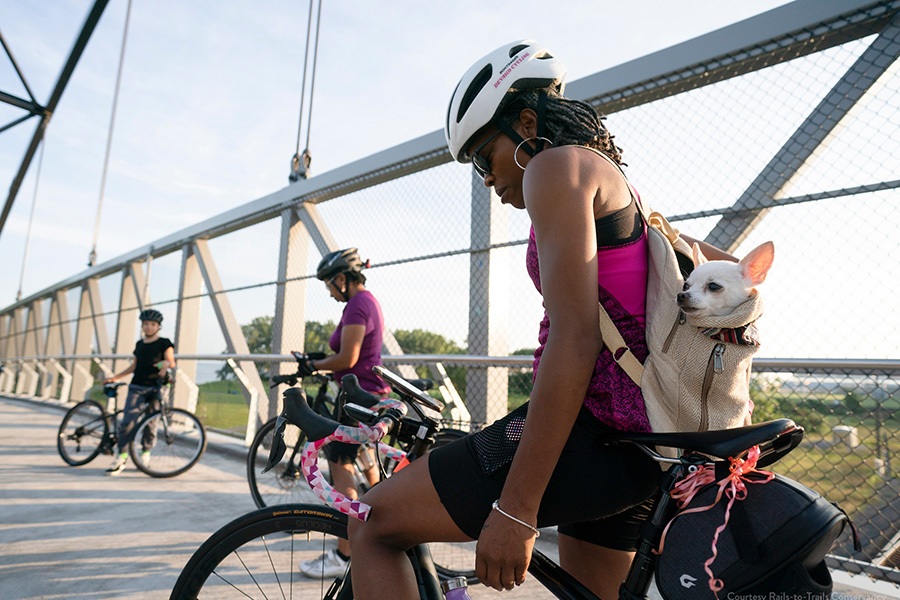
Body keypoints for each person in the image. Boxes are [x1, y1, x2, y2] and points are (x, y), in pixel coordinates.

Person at [347, 40, 736, 599]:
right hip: (645, 443)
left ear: (527, 123)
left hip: (595, 434)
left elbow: (575, 340)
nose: (485, 178)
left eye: (484, 157)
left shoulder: (553, 167)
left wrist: (517, 509)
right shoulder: (616, 186)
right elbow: (732, 269)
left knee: (371, 523)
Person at [295, 247, 391, 578]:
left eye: (329, 284)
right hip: (367, 394)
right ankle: (382, 532)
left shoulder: (357, 304)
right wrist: (322, 360)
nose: (329, 291)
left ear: (341, 278)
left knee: (341, 471)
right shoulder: (365, 302)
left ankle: (343, 555)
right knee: (366, 465)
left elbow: (348, 358)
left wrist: (313, 365)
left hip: (357, 396)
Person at [104, 308, 176, 475]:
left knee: (150, 422)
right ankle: (121, 456)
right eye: (146, 324)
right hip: (137, 386)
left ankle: (145, 454)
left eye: (153, 324)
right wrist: (116, 377)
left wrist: (163, 364)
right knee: (127, 422)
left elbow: (170, 361)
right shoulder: (140, 345)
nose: (149, 327)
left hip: (156, 387)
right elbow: (134, 366)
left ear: (158, 326)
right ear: (142, 326)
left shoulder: (164, 343)